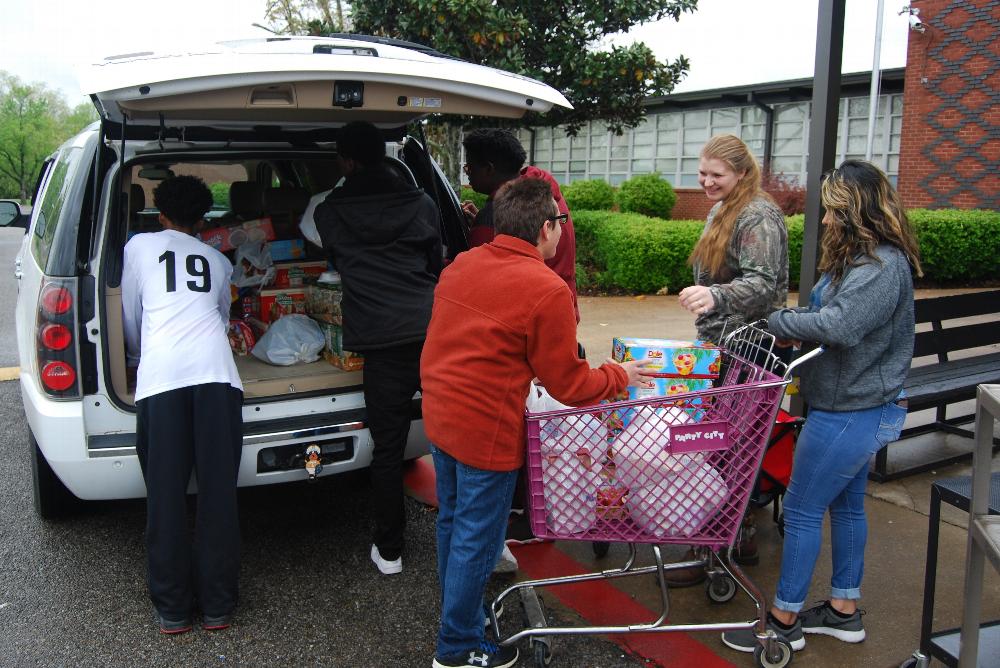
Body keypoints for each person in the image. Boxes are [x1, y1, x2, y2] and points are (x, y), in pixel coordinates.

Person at [420, 178, 652, 668]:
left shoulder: (464, 263)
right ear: (547, 228)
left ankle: (459, 616)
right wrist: (620, 375)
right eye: (560, 222)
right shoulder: (546, 288)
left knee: (453, 522)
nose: (561, 231)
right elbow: (569, 384)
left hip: (442, 415)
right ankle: (456, 648)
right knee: (478, 538)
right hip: (486, 429)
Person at [721, 160, 920, 655]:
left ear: (856, 212)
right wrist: (795, 325)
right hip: (851, 403)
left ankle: (783, 620)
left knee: (806, 509)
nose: (826, 221)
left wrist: (777, 321)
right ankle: (842, 611)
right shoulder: (860, 262)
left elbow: (841, 325)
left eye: (833, 212)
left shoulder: (881, 267)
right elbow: (827, 317)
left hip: (852, 409)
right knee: (847, 507)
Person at [313, 121, 442, 576]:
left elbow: (337, 260)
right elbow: (435, 262)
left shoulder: (331, 212)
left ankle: (390, 551)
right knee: (451, 440)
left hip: (380, 340)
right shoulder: (421, 202)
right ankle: (481, 539)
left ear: (346, 161)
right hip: (432, 332)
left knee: (387, 448)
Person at [122, 175, 244, 635]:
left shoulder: (138, 246)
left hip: (162, 380)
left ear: (161, 216)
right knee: (218, 495)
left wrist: (138, 357)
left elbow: (132, 316)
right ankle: (218, 605)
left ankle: (173, 609)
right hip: (217, 378)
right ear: (202, 219)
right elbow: (220, 318)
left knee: (167, 496)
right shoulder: (218, 259)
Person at [668, 134, 789, 586]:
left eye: (716, 175)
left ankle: (728, 539)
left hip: (750, 351)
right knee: (719, 447)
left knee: (732, 450)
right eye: (702, 173)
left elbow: (763, 283)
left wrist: (714, 294)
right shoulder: (726, 209)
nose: (706, 182)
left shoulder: (758, 215)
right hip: (723, 347)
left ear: (741, 173)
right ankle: (726, 535)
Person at [460, 128, 579, 321]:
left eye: (470, 169)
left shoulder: (493, 216)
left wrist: (482, 229)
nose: (468, 176)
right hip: (561, 304)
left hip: (529, 318)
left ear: (489, 169)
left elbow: (479, 282)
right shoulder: (544, 193)